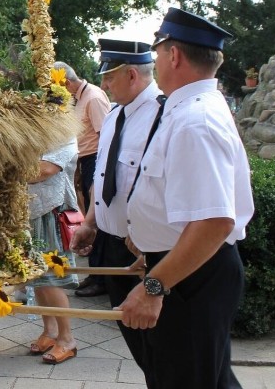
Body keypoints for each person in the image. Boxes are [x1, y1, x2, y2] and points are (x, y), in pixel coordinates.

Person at [120, 8, 254, 389]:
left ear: (173, 55)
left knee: (186, 380)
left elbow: (214, 222)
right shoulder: (190, 110)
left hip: (193, 277)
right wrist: (151, 243)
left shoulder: (196, 120)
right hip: (187, 268)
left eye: (157, 51)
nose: (155, 61)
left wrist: (154, 287)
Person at [70, 38, 160, 369]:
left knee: (165, 349)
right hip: (112, 242)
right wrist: (91, 223)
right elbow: (104, 179)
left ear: (132, 75)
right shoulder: (114, 115)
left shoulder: (162, 114)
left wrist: (147, 241)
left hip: (145, 250)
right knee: (140, 348)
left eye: (109, 77)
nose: (104, 84)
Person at [52, 61, 110, 297]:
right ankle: (95, 274)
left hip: (96, 160)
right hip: (85, 161)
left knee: (98, 220)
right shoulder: (78, 97)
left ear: (64, 82)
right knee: (90, 218)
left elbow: (105, 136)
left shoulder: (93, 97)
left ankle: (103, 278)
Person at [25, 137, 80, 365]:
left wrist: (3, 170)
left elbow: (45, 169)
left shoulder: (65, 134)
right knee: (36, 276)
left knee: (51, 277)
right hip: (30, 210)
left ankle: (67, 339)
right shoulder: (32, 130)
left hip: (52, 212)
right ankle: (50, 331)